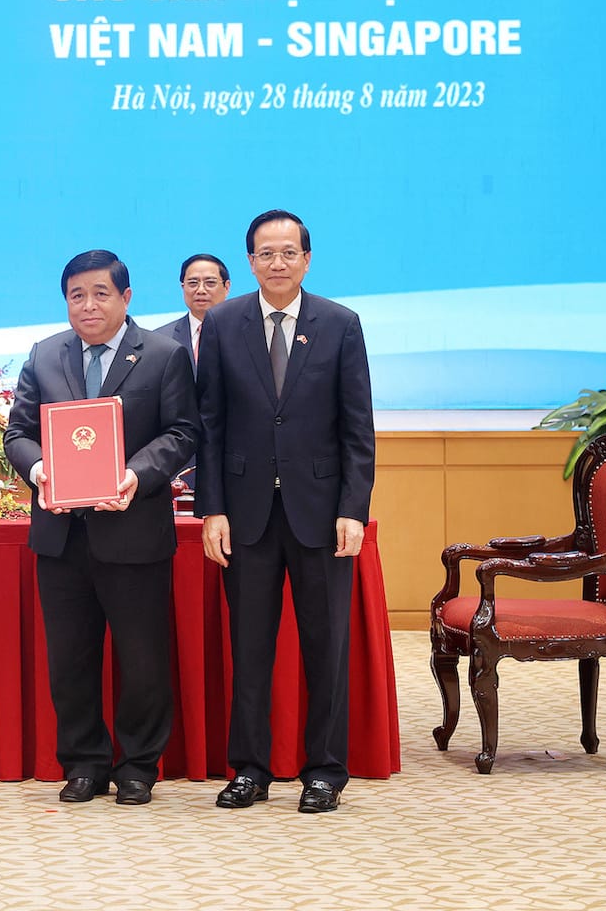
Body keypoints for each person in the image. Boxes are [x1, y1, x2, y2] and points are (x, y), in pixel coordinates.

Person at [195, 210, 374, 815]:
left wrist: (354, 507)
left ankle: (324, 770)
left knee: (326, 646)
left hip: (321, 514)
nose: (277, 263)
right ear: (249, 262)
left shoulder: (340, 324)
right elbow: (209, 426)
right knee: (250, 648)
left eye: (288, 252)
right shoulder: (222, 323)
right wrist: (211, 509)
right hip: (244, 515)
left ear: (307, 258)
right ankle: (250, 768)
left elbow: (357, 427)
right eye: (265, 254)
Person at [4, 250, 198, 806]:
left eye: (100, 294)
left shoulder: (164, 355)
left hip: (133, 531)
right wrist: (41, 470)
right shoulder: (45, 354)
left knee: (142, 658)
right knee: (71, 658)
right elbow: (17, 433)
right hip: (62, 535)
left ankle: (138, 765)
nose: (88, 306)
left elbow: (183, 432)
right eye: (76, 296)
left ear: (126, 297)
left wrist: (136, 475)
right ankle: (84, 761)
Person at [163, 253, 232, 371]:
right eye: (193, 283)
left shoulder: (246, 333)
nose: (200, 290)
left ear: (227, 287)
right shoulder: (162, 339)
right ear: (182, 287)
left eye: (210, 283)